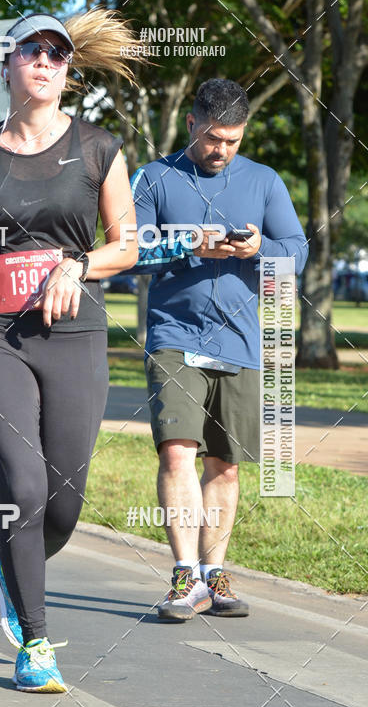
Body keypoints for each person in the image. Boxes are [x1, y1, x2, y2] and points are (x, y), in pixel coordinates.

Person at [0, 9, 140, 691]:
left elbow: (125, 243)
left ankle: (7, 567)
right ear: (9, 64)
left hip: (75, 337)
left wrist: (77, 265)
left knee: (65, 502)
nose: (44, 62)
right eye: (31, 51)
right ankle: (36, 644)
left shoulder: (100, 148)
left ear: (68, 73)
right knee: (24, 485)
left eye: (57, 54)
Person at [132, 78, 307, 621]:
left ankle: (214, 575)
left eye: (232, 141)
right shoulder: (155, 178)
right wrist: (190, 244)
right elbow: (128, 249)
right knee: (177, 451)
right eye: (212, 138)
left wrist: (260, 249)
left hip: (241, 341)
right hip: (174, 337)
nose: (222, 150)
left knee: (226, 467)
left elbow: (296, 252)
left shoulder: (265, 180)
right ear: (191, 124)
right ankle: (184, 576)